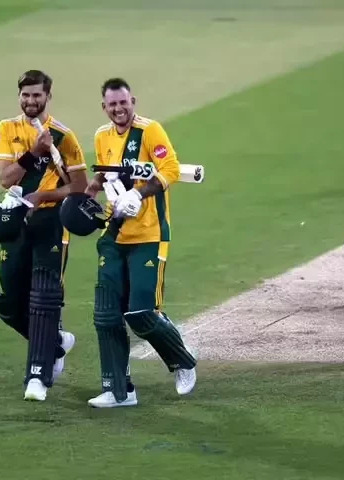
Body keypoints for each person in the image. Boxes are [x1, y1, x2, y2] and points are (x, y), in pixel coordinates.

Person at [82, 77, 197, 408]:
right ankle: (119, 391)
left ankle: (183, 362)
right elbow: (105, 173)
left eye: (124, 102)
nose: (119, 109)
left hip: (149, 235)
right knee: (106, 315)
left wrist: (139, 192)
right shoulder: (102, 136)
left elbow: (171, 169)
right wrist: (89, 193)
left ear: (133, 101)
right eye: (112, 104)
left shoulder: (150, 131)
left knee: (141, 313)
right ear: (104, 107)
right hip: (114, 234)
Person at [0, 69, 89, 401]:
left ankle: (38, 376)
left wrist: (44, 196)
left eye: (37, 95)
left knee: (43, 300)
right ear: (19, 96)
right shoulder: (7, 128)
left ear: (48, 97)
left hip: (51, 223)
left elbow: (79, 188)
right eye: (25, 95)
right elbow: (5, 179)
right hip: (15, 221)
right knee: (11, 300)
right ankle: (56, 344)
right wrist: (34, 152)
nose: (31, 101)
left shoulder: (64, 136)